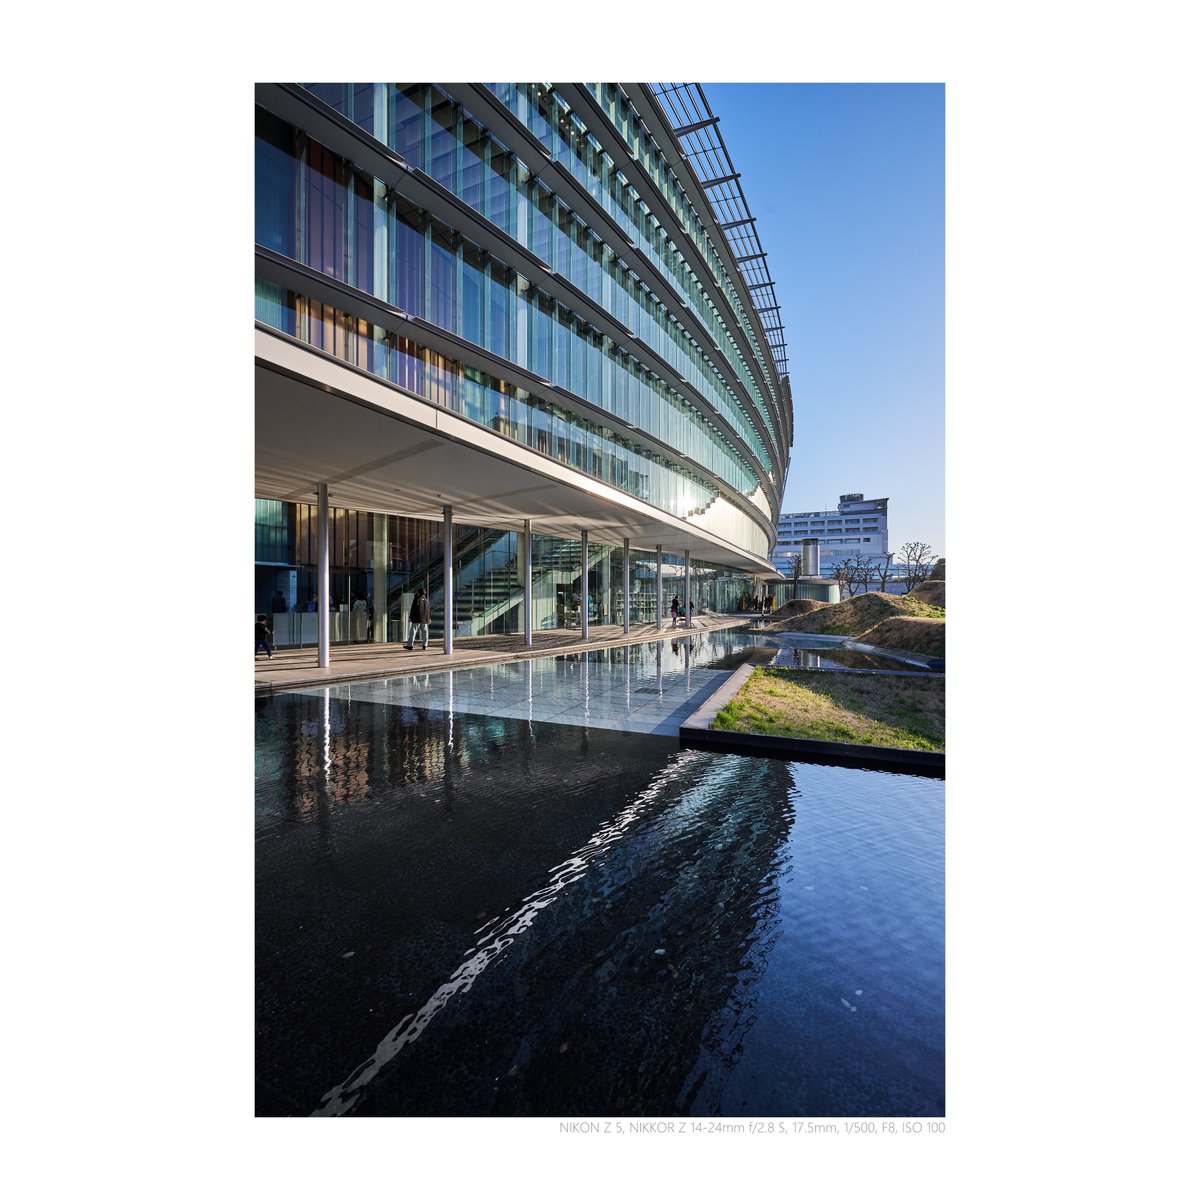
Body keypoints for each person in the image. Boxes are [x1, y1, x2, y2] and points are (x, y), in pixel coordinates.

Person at [406, 587, 431, 651]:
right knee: (425, 632)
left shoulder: (416, 599)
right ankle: (425, 645)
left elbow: (413, 609)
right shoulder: (426, 600)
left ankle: (410, 645)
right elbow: (429, 610)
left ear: (419, 593)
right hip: (425, 619)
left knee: (413, 631)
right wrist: (429, 618)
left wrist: (410, 617)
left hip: (417, 618)